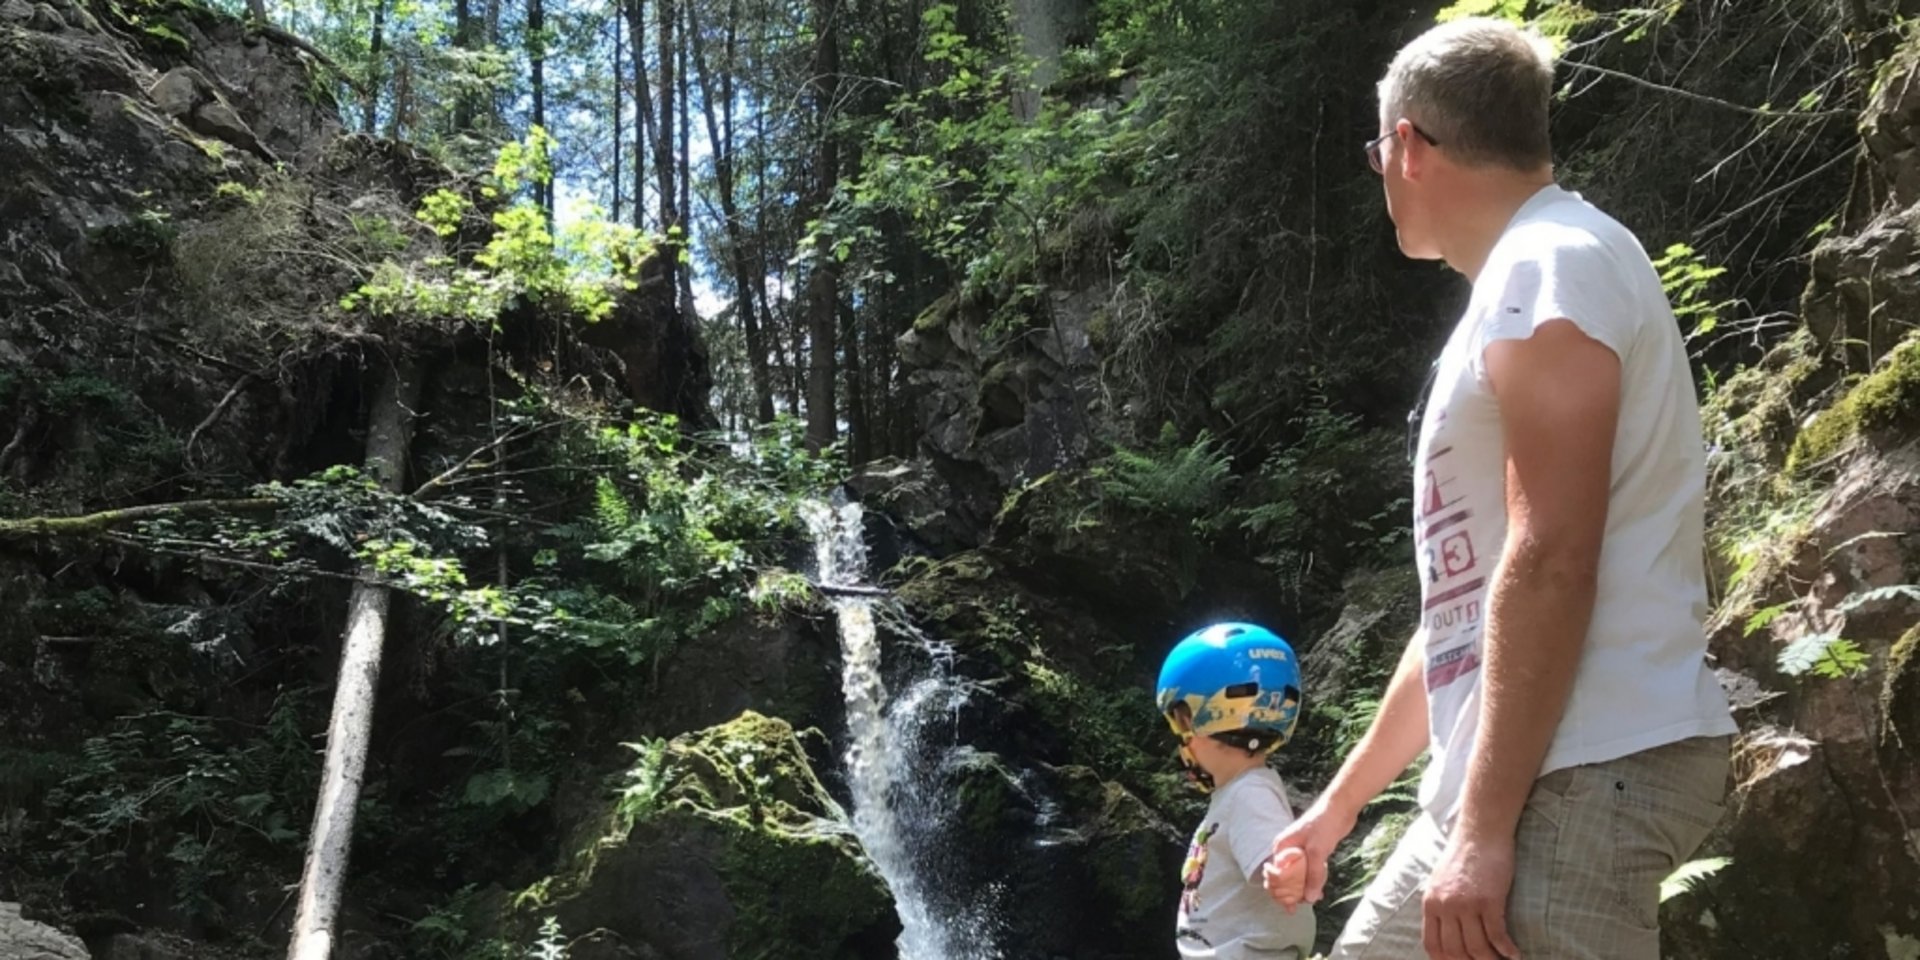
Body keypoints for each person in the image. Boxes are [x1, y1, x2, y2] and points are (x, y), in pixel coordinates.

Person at [1261, 16, 1739, 960]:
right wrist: (1335, 812)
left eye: (1375, 151)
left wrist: (1483, 833)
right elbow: (1468, 604)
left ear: (1407, 145)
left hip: (1583, 767)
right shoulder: (1525, 281)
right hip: (1517, 777)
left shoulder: (1551, 266)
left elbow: (1554, 554)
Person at [1156, 622, 1316, 960]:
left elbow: (1275, 854)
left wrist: (1288, 866)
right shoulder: (1242, 790)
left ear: (1196, 719)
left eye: (1177, 723)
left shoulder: (1250, 793)